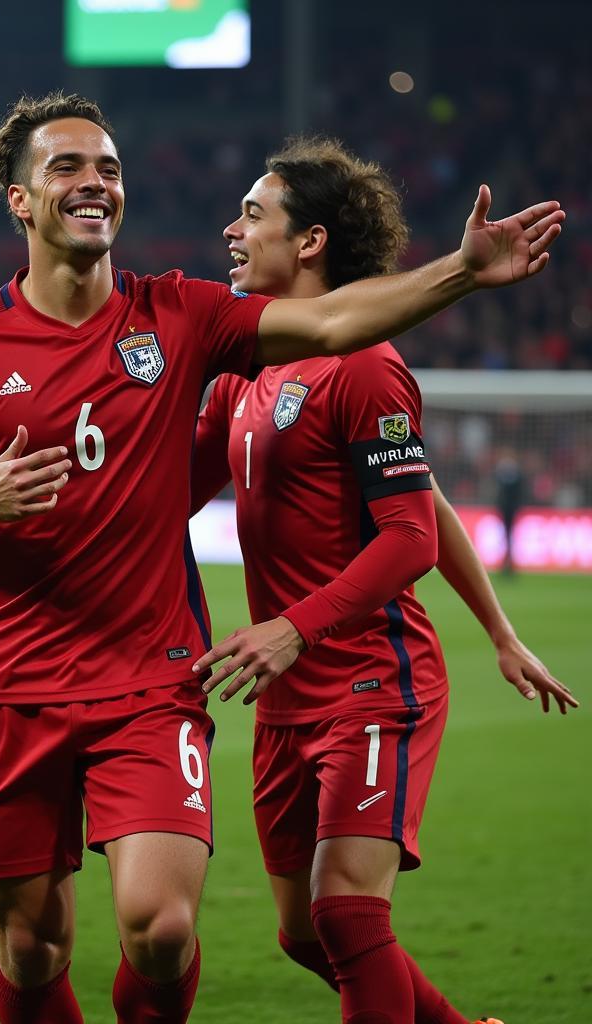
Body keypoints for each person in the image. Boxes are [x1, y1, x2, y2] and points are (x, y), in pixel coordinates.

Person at [0, 92, 564, 1024]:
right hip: (13, 679)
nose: (94, 184)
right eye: (68, 169)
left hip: (163, 682)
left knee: (168, 930)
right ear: (19, 199)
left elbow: (337, 337)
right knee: (35, 949)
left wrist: (459, 271)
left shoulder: (185, 318)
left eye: (109, 168)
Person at [189, 137, 578, 1024]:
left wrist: (295, 626)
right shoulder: (244, 366)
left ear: (311, 242)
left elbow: (406, 536)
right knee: (302, 933)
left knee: (347, 911)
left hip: (373, 677)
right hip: (286, 695)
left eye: (253, 215)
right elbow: (428, 500)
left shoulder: (365, 364)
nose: (232, 230)